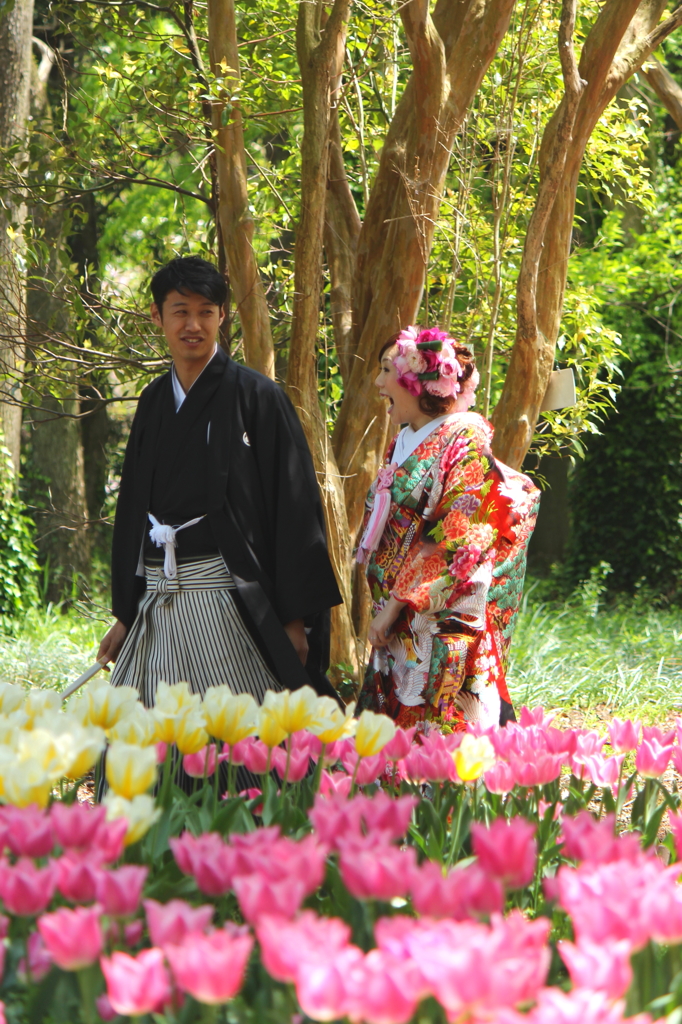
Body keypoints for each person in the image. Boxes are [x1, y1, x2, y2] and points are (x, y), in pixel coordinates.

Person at [97, 256, 342, 723]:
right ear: (157, 316)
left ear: (222, 317)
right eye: (180, 311)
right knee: (144, 740)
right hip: (160, 597)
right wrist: (127, 613)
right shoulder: (151, 402)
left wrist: (293, 619)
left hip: (232, 601)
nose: (194, 325)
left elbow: (294, 509)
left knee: (238, 737)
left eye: (206, 311)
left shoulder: (257, 397)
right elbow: (133, 512)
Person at [356, 326, 539, 730]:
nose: (379, 382)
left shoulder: (465, 439)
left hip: (438, 616)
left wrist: (395, 608)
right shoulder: (404, 438)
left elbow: (457, 533)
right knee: (395, 723)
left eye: (387, 371)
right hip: (398, 612)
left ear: (417, 383)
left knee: (439, 725)